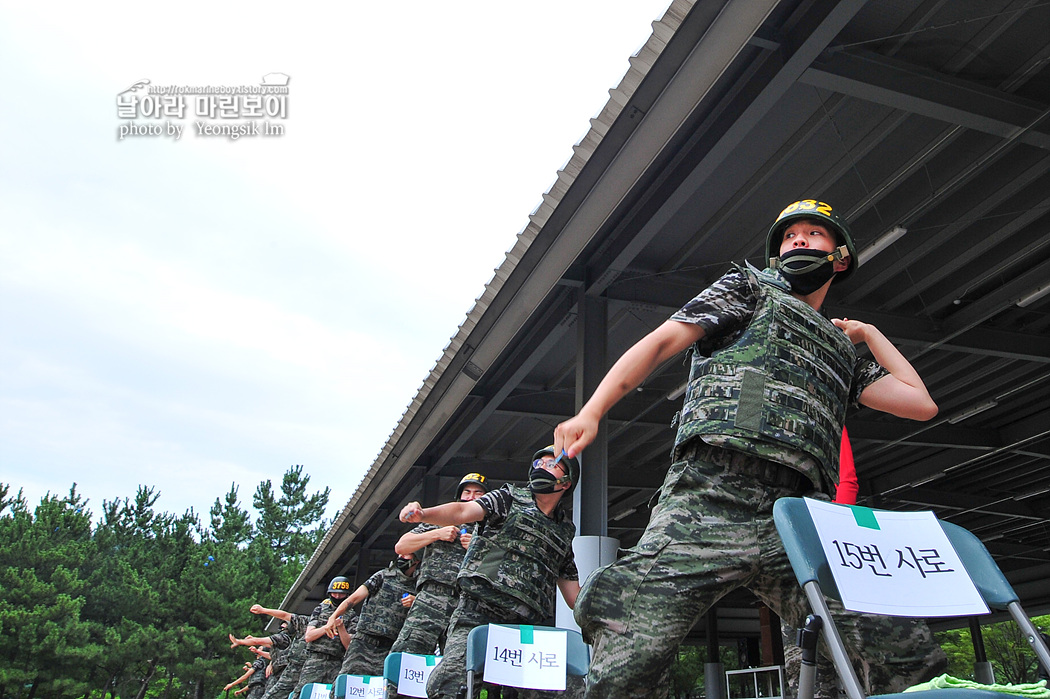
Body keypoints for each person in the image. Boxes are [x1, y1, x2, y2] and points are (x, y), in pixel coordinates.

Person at [553, 199, 947, 698]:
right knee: (628, 635)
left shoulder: (840, 349)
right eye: (789, 236)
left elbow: (920, 404)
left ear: (841, 257)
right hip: (709, 494)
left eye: (814, 234)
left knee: (898, 646)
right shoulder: (748, 289)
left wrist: (867, 333)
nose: (799, 241)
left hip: (800, 513)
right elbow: (660, 342)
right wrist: (592, 409)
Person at [399, 446, 582, 699]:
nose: (541, 468)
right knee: (450, 685)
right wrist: (424, 514)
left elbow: (575, 597)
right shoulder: (507, 498)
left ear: (566, 481)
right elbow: (463, 511)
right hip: (478, 615)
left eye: (551, 465)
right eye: (538, 464)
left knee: (569, 690)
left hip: (525, 629)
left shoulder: (564, 530)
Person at [390, 473, 488, 659]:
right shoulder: (441, 520)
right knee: (408, 657)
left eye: (478, 493)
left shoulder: (491, 529)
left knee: (458, 664)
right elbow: (401, 546)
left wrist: (479, 547)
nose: (472, 497)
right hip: (430, 598)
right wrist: (437, 534)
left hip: (467, 604)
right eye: (467, 492)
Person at [322, 555, 419, 679]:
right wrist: (333, 616)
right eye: (400, 554)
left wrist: (416, 601)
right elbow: (354, 598)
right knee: (347, 683)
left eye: (406, 554)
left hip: (389, 648)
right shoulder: (383, 576)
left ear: (417, 559)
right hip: (363, 642)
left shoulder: (418, 585)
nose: (401, 557)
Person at [290, 577, 356, 699]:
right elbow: (309, 636)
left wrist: (341, 627)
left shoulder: (352, 616)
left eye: (341, 594)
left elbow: (349, 646)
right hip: (315, 660)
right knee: (302, 694)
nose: (337, 596)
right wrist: (327, 627)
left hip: (336, 663)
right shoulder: (320, 609)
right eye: (334, 593)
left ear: (347, 595)